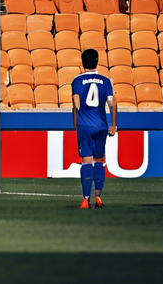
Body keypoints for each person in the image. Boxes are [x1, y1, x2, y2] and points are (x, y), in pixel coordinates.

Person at [71, 49, 117, 209]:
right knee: (100, 160)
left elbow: (76, 103)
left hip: (84, 125)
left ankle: (85, 199)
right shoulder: (105, 81)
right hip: (101, 125)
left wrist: (75, 124)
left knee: (86, 161)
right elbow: (112, 102)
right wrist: (114, 124)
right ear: (97, 61)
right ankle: (98, 197)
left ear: (82, 62)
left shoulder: (77, 80)